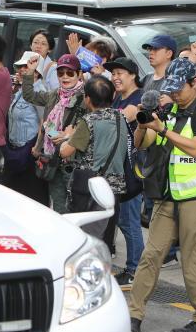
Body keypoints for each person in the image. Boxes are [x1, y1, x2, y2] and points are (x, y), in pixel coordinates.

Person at [128, 58, 196, 332]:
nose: (176, 94)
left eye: (180, 88)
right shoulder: (167, 111)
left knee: (191, 261)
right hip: (167, 197)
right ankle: (134, 315)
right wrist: (144, 124)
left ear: (195, 83)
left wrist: (163, 130)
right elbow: (142, 144)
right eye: (172, 89)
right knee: (151, 255)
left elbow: (195, 149)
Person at [59, 76, 129, 237]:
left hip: (90, 189)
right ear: (112, 97)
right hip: (114, 188)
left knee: (84, 236)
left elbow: (65, 151)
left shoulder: (88, 121)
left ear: (88, 99)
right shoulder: (120, 117)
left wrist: (67, 136)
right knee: (105, 236)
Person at [22, 53, 88, 213]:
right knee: (59, 207)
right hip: (52, 158)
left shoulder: (86, 98)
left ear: (79, 74)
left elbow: (90, 124)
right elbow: (29, 95)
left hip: (73, 162)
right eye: (60, 73)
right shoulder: (54, 94)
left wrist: (69, 136)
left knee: (76, 208)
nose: (65, 77)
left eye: (70, 73)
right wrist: (30, 72)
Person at [104, 56, 145, 287]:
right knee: (123, 220)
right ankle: (133, 267)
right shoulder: (118, 97)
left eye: (120, 73)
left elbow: (128, 117)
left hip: (132, 171)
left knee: (130, 221)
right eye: (113, 73)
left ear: (132, 76)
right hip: (117, 171)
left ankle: (136, 269)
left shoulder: (137, 99)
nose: (115, 77)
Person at [1, 52, 48, 204]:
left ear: (37, 71)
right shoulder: (20, 90)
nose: (22, 70)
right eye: (20, 67)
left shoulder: (40, 91)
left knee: (29, 199)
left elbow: (44, 121)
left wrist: (37, 147)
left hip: (29, 153)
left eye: (26, 67)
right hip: (15, 151)